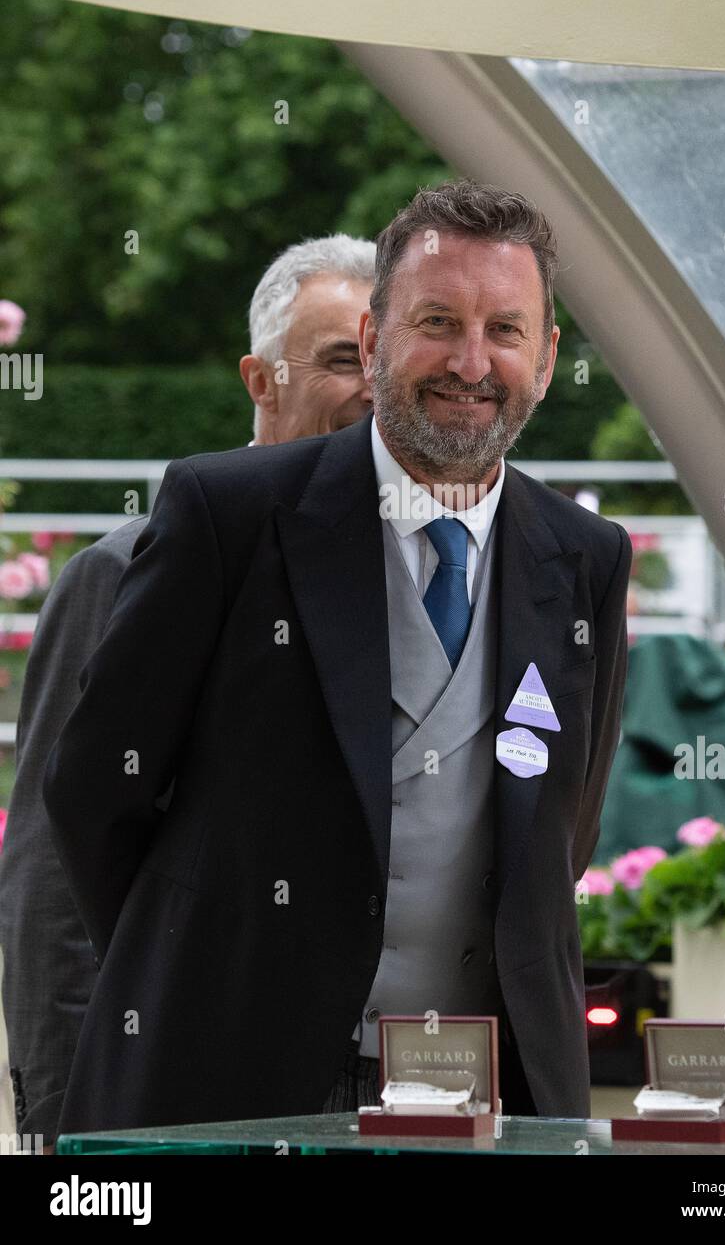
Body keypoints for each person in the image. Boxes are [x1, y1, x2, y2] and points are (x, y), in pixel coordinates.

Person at [42, 179, 632, 1137]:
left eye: (506, 330)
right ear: (373, 340)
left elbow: (565, 831)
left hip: (486, 1096)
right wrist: (197, 969)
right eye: (437, 321)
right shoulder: (227, 516)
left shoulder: (587, 558)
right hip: (231, 1087)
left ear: (549, 355)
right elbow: (95, 792)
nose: (471, 362)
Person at [0, 236, 375, 1149]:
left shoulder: (410, 582)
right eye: (339, 360)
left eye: (385, 359)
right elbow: (51, 875)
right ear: (260, 380)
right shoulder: (125, 572)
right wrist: (62, 1121)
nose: (372, 387)